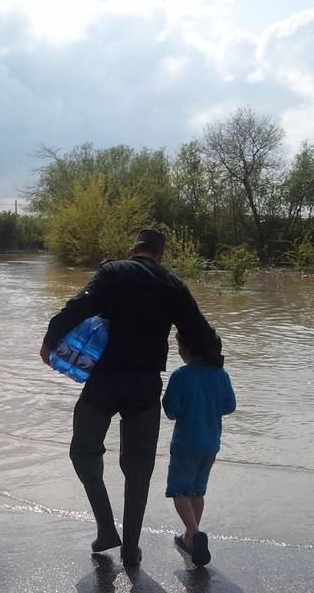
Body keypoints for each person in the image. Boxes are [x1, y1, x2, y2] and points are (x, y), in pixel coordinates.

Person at [39, 229, 222, 568]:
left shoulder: (113, 272)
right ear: (161, 255)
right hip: (145, 387)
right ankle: (131, 549)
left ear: (134, 248)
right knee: (138, 469)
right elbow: (200, 331)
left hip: (104, 381)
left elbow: (78, 306)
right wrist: (215, 370)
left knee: (83, 450)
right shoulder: (173, 284)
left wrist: (50, 340)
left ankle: (107, 528)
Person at [164, 330, 235, 568]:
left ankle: (194, 533)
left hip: (185, 443)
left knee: (179, 491)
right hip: (211, 443)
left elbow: (171, 411)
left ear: (190, 350)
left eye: (180, 346)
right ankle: (188, 538)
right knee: (197, 491)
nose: (179, 350)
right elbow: (230, 406)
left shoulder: (181, 376)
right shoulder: (220, 374)